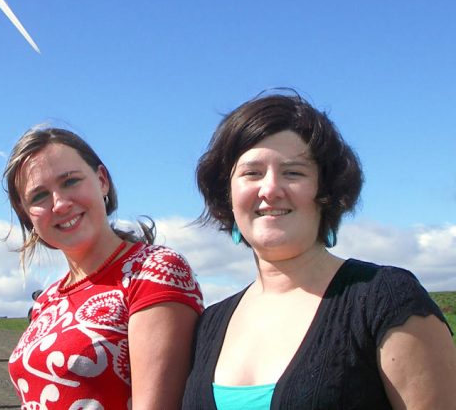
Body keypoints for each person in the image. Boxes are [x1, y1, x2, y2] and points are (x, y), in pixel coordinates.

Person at [182, 91, 456, 409]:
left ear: (325, 191)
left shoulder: (387, 300)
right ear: (227, 194)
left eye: (293, 172)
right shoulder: (209, 324)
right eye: (252, 173)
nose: (270, 189)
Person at [4, 126, 204, 409]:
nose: (59, 204)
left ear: (102, 181)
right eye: (39, 197)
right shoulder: (47, 300)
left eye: (70, 181)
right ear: (27, 215)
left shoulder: (153, 272)